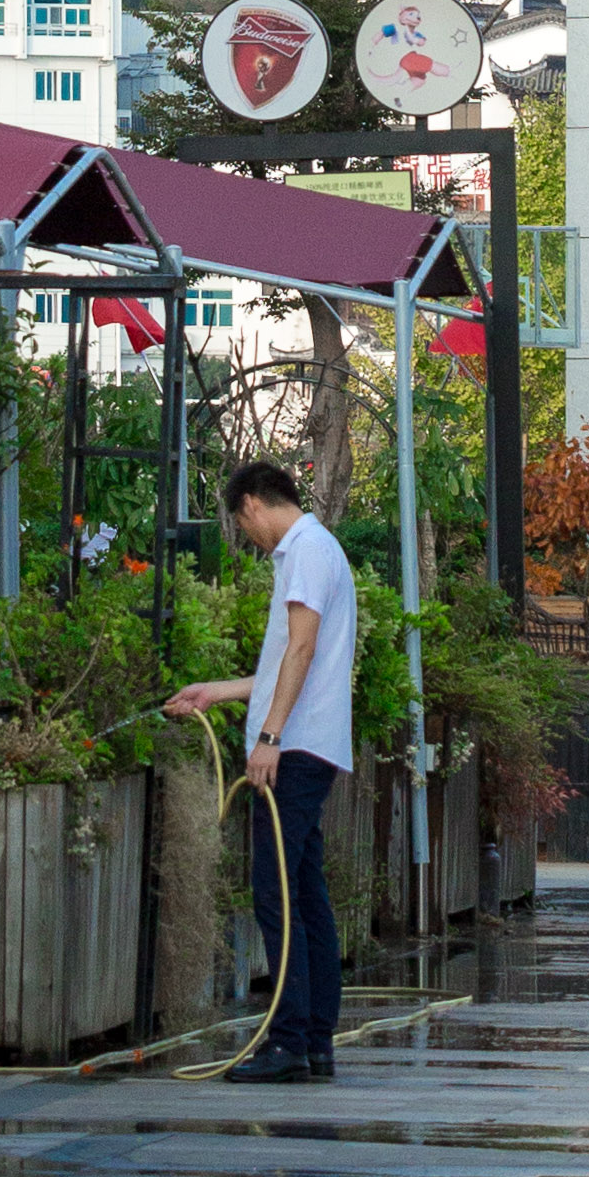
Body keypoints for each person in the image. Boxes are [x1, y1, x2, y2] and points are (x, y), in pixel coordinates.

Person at [167, 458, 356, 1085]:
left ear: (251, 503)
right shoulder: (315, 550)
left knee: (276, 894)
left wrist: (270, 738)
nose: (247, 536)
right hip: (309, 744)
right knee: (305, 893)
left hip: (295, 748)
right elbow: (288, 664)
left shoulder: (305, 551)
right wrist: (216, 692)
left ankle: (289, 1042)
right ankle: (315, 1041)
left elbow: (301, 648)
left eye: (242, 523)